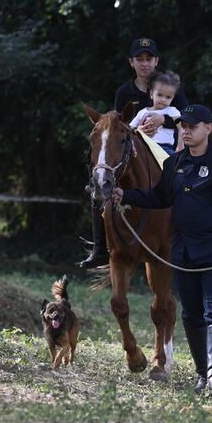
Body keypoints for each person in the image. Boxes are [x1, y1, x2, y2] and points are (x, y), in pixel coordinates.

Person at [112, 104, 212, 396]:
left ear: (208, 128)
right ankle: (202, 375)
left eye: (192, 126)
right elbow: (159, 197)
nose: (186, 131)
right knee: (191, 313)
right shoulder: (174, 164)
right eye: (183, 126)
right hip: (184, 253)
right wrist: (125, 194)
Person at [80, 37, 189, 269]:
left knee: (186, 183)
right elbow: (116, 126)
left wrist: (164, 119)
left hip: (165, 150)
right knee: (99, 178)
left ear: (156, 61)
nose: (145, 63)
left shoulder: (170, 89)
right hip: (131, 152)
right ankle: (100, 247)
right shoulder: (124, 92)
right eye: (139, 59)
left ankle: (187, 238)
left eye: (149, 58)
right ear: (132, 62)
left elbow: (188, 118)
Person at [129, 71, 182, 155]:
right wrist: (137, 131)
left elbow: (181, 127)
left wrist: (180, 145)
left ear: (173, 98)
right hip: (143, 147)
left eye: (168, 97)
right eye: (159, 95)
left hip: (164, 148)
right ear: (151, 94)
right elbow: (130, 128)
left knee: (173, 165)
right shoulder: (143, 112)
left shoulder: (172, 111)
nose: (163, 99)